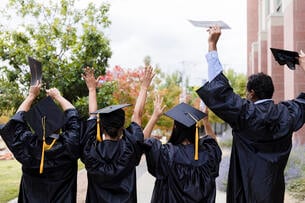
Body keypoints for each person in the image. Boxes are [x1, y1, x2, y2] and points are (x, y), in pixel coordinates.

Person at [196, 25, 305, 203]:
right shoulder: (288, 114)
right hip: (274, 194)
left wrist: (212, 45)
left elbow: (219, 90)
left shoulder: (246, 114)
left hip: (246, 193)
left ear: (252, 93)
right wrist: (303, 64)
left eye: (247, 93)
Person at [80, 66, 154, 203]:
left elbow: (91, 117)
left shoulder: (90, 151)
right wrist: (144, 88)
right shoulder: (131, 147)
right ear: (122, 128)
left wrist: (91, 90)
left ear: (101, 127)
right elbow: (137, 116)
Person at [0, 81, 81, 203]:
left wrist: (31, 95)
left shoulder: (27, 145)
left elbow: (16, 124)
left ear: (36, 125)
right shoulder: (69, 145)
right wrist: (57, 96)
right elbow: (73, 118)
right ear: (59, 124)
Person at [143, 97, 222, 203]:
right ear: (195, 129)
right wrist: (206, 121)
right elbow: (214, 144)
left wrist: (154, 117)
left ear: (175, 128)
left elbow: (142, 141)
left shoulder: (167, 154)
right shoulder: (207, 153)